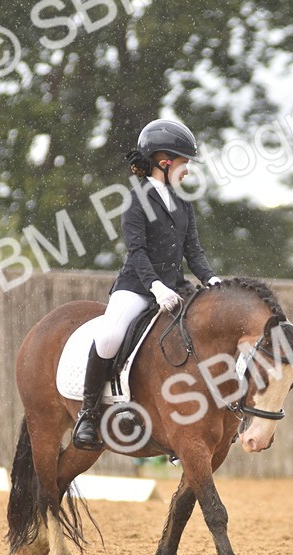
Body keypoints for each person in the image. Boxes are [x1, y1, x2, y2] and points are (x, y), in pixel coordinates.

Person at [72, 118, 222, 451]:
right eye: (183, 164)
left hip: (176, 288)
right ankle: (88, 412)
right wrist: (155, 286)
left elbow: (193, 251)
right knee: (110, 335)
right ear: (164, 162)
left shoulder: (183, 205)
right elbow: (136, 251)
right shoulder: (136, 199)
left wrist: (211, 278)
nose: (186, 171)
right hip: (137, 287)